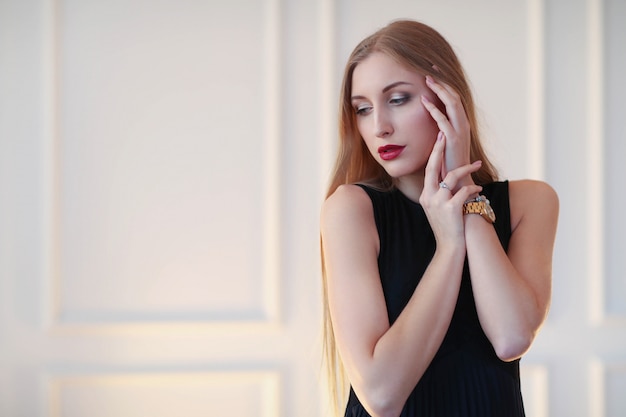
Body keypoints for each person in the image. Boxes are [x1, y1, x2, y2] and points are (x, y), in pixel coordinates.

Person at [320, 19, 559, 417]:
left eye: (398, 99)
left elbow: (511, 337)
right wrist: (448, 246)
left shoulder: (530, 202)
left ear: (448, 99)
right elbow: (381, 395)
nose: (379, 126)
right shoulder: (351, 209)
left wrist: (462, 194)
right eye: (362, 109)